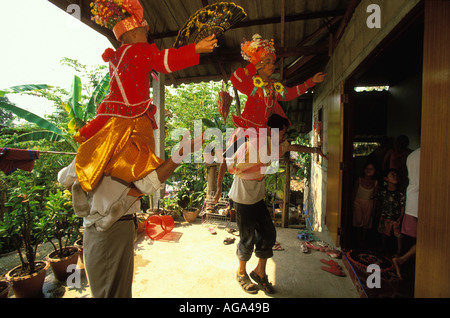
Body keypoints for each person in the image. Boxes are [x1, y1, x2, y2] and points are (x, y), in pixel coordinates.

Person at [73, 0, 217, 198]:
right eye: (144, 33)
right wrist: (195, 49)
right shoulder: (141, 51)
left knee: (98, 151)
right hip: (132, 116)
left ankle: (74, 178)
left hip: (110, 114)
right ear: (132, 33)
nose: (148, 39)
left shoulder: (115, 56)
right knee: (141, 162)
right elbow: (163, 60)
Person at [58, 134, 203, 298]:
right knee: (112, 292)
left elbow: (64, 177)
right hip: (109, 231)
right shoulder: (126, 148)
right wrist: (181, 153)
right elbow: (149, 184)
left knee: (113, 291)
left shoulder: (96, 144)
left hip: (107, 229)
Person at [214, 114, 325, 294]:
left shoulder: (274, 146)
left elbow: (294, 146)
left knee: (268, 234)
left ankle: (259, 272)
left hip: (257, 196)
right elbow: (224, 161)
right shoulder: (252, 142)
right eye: (283, 131)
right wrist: (219, 188)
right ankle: (241, 273)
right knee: (247, 238)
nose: (284, 135)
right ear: (275, 130)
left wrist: (315, 151)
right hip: (242, 197)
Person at [230, 34, 326, 129]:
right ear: (258, 63)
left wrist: (311, 81)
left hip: (264, 131)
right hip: (247, 129)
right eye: (267, 62)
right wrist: (252, 68)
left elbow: (289, 93)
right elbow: (235, 78)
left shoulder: (274, 86)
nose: (272, 66)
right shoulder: (253, 84)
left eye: (273, 63)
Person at [392, 147, 420, 279]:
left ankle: (404, 262)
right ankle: (403, 261)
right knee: (428, 240)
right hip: (424, 202)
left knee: (414, 240)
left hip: (413, 200)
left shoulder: (412, 155)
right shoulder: (435, 154)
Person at [376, 168, 405, 256]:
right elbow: (379, 202)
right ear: (386, 179)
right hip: (384, 215)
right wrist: (377, 212)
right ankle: (383, 247)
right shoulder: (383, 191)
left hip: (396, 217)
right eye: (392, 175)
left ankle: (399, 251)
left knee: (398, 235)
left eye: (397, 175)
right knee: (384, 232)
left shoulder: (400, 193)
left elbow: (403, 206)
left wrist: (400, 217)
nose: (395, 177)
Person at [352, 162, 378, 248]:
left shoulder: (375, 182)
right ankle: (358, 240)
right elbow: (354, 193)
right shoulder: (359, 179)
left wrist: (374, 208)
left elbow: (374, 196)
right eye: (367, 168)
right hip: (358, 203)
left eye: (371, 169)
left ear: (375, 171)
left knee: (366, 223)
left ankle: (363, 240)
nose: (368, 170)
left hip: (368, 204)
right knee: (358, 221)